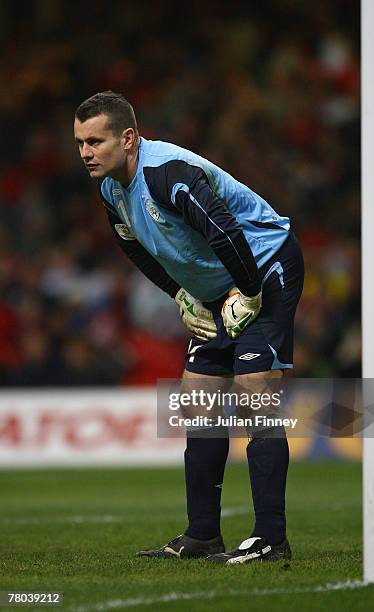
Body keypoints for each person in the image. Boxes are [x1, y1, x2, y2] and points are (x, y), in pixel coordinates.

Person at [74, 90, 304, 564]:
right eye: (79, 142)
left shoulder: (168, 175)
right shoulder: (111, 190)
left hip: (264, 264)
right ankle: (202, 536)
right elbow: (136, 248)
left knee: (254, 387)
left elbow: (224, 230)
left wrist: (250, 292)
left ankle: (270, 538)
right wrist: (181, 294)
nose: (85, 152)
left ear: (129, 138)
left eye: (95, 140)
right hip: (220, 283)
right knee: (198, 398)